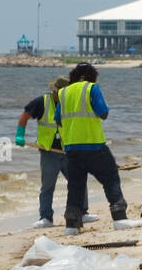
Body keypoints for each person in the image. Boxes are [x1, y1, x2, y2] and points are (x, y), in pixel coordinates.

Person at [54, 63, 129, 234]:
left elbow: (57, 119)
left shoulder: (63, 93)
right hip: (93, 144)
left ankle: (71, 226)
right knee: (110, 178)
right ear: (87, 76)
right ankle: (120, 218)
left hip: (71, 147)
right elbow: (103, 113)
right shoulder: (91, 88)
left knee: (75, 186)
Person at [15, 77, 97, 227]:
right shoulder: (42, 102)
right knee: (48, 186)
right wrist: (20, 134)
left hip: (68, 151)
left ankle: (83, 213)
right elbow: (24, 115)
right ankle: (45, 217)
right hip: (49, 152)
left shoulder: (72, 103)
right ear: (54, 92)